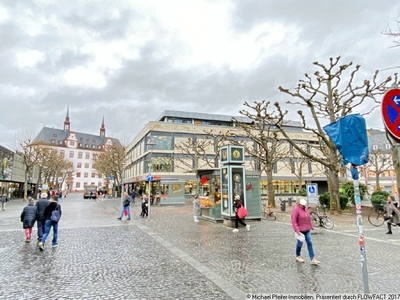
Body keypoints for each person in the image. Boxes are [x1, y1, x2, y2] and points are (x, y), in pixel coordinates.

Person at [291, 198, 319, 265]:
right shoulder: (296, 209)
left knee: (309, 243)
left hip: (307, 229)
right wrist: (297, 230)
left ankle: (312, 258)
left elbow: (308, 218)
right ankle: (298, 255)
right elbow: (294, 221)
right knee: (300, 243)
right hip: (300, 230)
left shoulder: (306, 209)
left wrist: (311, 226)